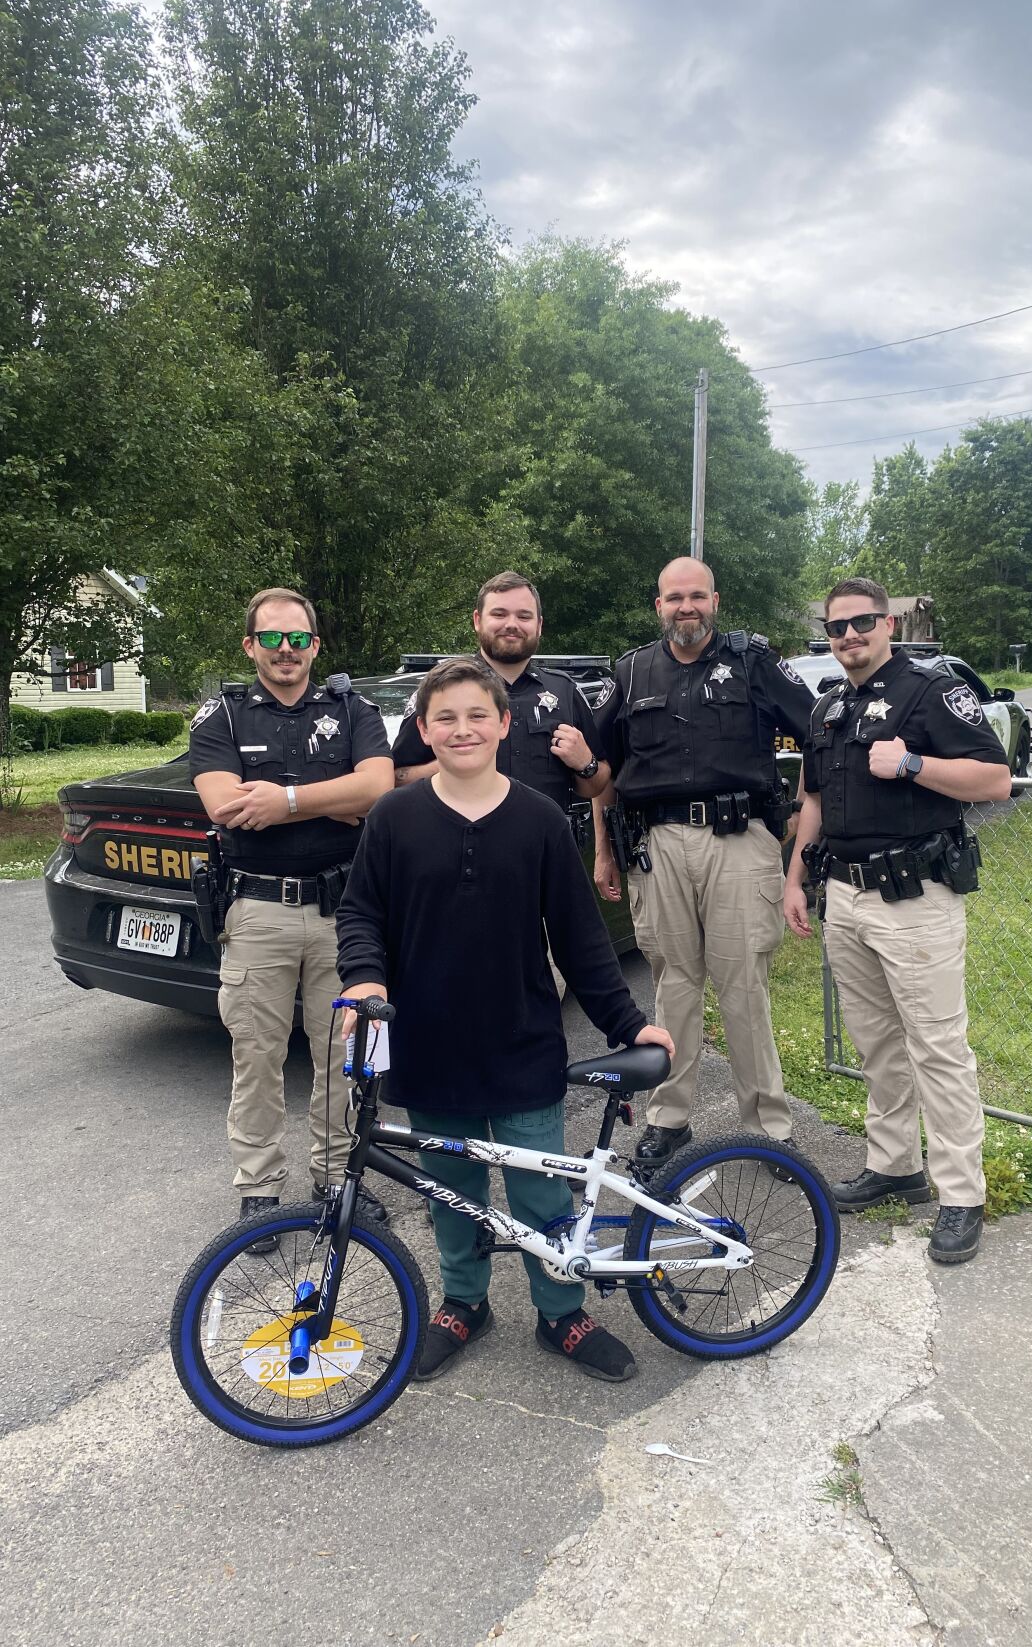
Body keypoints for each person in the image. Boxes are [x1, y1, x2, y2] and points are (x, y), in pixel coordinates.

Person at [335, 659, 674, 1383]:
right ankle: (464, 1301)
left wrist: (627, 1023)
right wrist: (362, 979)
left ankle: (561, 1311)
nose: (462, 729)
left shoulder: (539, 819)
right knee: (449, 1193)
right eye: (445, 718)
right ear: (422, 730)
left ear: (503, 723)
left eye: (476, 715)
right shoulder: (394, 818)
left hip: (521, 1044)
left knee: (541, 1195)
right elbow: (361, 912)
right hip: (427, 1046)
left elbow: (582, 939)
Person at [782, 577, 1011, 1264]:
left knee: (937, 1047)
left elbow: (994, 780)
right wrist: (794, 874)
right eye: (835, 627)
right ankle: (895, 1165)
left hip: (914, 897)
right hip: (844, 899)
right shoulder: (826, 708)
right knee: (876, 1043)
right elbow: (813, 796)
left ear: (888, 625)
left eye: (860, 623)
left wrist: (911, 761)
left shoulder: (930, 690)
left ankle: (960, 1195)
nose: (847, 635)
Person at [592, 555, 812, 1168]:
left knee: (744, 987)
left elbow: (820, 730)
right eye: (673, 598)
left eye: (696, 597)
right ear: (658, 605)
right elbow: (600, 770)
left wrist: (801, 817)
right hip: (657, 846)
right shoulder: (631, 672)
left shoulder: (754, 662)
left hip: (739, 842)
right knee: (674, 988)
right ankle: (669, 1119)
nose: (685, 608)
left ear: (716, 600)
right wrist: (605, 851)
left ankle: (768, 1128)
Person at [190, 587, 394, 1246]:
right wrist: (333, 800)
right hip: (256, 910)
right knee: (257, 1055)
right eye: (272, 638)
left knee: (346, 1056)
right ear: (250, 644)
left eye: (298, 638)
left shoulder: (352, 708)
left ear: (315, 644)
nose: (287, 650)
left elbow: (377, 789)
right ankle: (259, 1190)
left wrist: (282, 799)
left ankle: (337, 1180)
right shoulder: (218, 716)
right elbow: (224, 805)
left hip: (347, 910)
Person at [391, 571, 610, 998]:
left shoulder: (563, 693)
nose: (512, 624)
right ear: (477, 620)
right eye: (500, 613)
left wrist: (585, 763)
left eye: (523, 615)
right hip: (452, 875)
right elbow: (395, 779)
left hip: (536, 882)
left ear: (539, 626)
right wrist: (456, 765)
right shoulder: (439, 690)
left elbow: (597, 784)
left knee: (537, 1007)